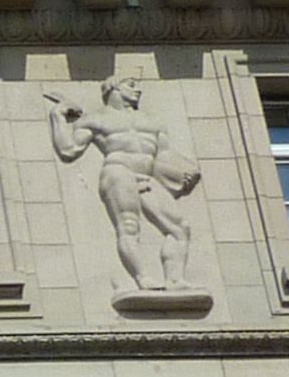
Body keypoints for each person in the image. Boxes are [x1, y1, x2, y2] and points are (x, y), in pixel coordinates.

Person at [49, 76, 202, 291]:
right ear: (113, 87)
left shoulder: (152, 121)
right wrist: (58, 116)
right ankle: (143, 278)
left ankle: (175, 280)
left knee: (180, 228)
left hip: (148, 177)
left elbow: (164, 154)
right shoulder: (96, 119)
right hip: (118, 171)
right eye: (131, 85)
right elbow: (69, 149)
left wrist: (183, 171)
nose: (138, 90)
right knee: (129, 227)